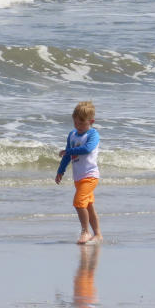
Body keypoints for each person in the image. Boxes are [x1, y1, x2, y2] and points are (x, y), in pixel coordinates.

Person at [55, 101, 102, 244]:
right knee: (88, 205)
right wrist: (60, 171)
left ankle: (86, 232)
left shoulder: (93, 134)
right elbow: (67, 156)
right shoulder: (72, 135)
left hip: (90, 176)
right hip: (79, 178)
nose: (78, 126)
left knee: (78, 203)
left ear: (91, 122)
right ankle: (98, 234)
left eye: (81, 123)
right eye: (75, 123)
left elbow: (87, 149)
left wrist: (69, 151)